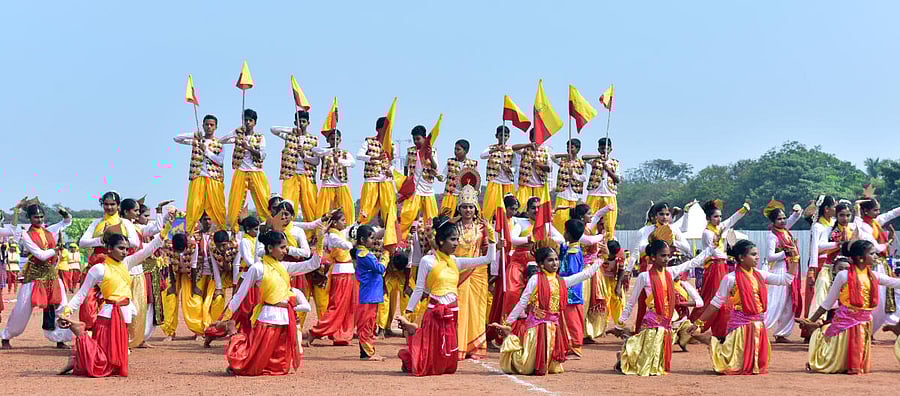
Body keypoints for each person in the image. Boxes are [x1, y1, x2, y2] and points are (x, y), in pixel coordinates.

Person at [57, 220, 168, 377]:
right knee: (102, 364)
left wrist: (166, 228)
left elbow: (148, 250)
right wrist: (67, 311)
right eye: (120, 248)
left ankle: (76, 358)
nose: (124, 252)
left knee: (114, 365)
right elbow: (82, 294)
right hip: (107, 318)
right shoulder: (99, 269)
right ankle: (78, 340)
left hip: (124, 317)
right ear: (109, 249)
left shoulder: (127, 263)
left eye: (126, 249)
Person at [396, 215, 497, 376]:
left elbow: (488, 258)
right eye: (453, 239)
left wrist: (491, 237)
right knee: (429, 353)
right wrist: (408, 311)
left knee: (446, 352)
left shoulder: (456, 261)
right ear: (441, 241)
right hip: (434, 310)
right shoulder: (427, 261)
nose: (456, 243)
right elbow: (419, 288)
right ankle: (410, 359)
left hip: (452, 310)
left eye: (457, 239)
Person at [490, 239, 606, 376]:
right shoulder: (535, 280)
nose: (555, 263)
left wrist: (602, 258)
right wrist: (508, 323)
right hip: (536, 328)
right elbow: (523, 302)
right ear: (540, 264)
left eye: (556, 259)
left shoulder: (560, 281)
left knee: (551, 368)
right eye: (550, 260)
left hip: (554, 328)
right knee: (525, 367)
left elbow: (585, 274)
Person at [217, 230, 321, 376]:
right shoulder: (257, 268)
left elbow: (313, 264)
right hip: (267, 318)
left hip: (285, 318)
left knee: (280, 367)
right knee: (250, 363)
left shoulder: (285, 266)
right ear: (270, 248)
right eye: (282, 247)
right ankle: (235, 345)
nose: (285, 251)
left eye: (286, 247)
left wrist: (321, 239)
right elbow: (240, 294)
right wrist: (226, 316)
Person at [611, 240, 712, 376]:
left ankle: (624, 356)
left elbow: (693, 262)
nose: (666, 259)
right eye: (663, 256)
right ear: (653, 257)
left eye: (668, 256)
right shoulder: (644, 277)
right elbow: (631, 302)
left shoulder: (671, 272)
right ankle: (625, 356)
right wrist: (620, 323)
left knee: (653, 360)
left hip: (667, 320)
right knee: (645, 364)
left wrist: (712, 247)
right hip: (652, 320)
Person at [800, 240, 900, 374]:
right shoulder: (843, 275)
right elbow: (827, 303)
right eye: (872, 253)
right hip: (846, 323)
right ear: (860, 258)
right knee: (835, 363)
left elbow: (895, 282)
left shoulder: (874, 276)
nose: (876, 256)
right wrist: (811, 321)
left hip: (864, 323)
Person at [698, 240, 797, 375]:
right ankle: (712, 341)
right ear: (741, 257)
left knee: (756, 368)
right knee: (732, 367)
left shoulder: (759, 274)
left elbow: (786, 280)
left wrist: (795, 259)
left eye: (757, 254)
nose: (757, 257)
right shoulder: (730, 278)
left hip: (758, 326)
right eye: (753, 254)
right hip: (740, 328)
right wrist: (699, 322)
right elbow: (716, 303)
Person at [0, 202, 73, 349]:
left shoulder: (49, 231)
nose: (39, 220)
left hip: (51, 276)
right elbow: (40, 255)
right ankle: (6, 336)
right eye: (35, 217)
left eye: (41, 216)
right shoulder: (26, 235)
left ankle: (60, 338)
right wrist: (56, 249)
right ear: (29, 218)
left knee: (61, 307)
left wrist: (66, 215)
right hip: (34, 277)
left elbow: (65, 223)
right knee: (22, 310)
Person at [78, 192, 141, 332]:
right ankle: (91, 339)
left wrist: (114, 239)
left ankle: (114, 338)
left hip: (116, 265)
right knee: (89, 301)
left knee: (113, 300)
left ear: (118, 206)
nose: (109, 207)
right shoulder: (96, 223)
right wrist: (101, 239)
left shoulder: (125, 223)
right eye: (106, 204)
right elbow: (82, 242)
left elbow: (135, 242)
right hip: (96, 264)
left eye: (112, 204)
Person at [686, 200, 749, 338]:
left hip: (722, 265)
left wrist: (743, 210)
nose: (719, 219)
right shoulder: (707, 233)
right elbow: (713, 252)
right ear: (708, 218)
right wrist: (729, 257)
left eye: (720, 216)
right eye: (715, 216)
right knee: (713, 298)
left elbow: (731, 220)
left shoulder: (719, 228)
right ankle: (691, 327)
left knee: (722, 297)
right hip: (714, 267)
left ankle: (720, 329)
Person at [453, 185, 496, 360]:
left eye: (471, 207)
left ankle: (475, 347)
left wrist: (492, 233)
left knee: (477, 309)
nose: (468, 210)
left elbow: (488, 249)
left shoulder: (482, 227)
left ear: (476, 208)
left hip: (478, 273)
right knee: (459, 308)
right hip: (457, 272)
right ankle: (458, 346)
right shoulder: (452, 226)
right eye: (464, 206)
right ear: (459, 208)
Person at [308, 211, 358, 346]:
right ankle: (315, 333)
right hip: (341, 275)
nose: (345, 222)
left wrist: (359, 222)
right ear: (335, 223)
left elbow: (349, 229)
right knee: (336, 307)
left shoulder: (338, 233)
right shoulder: (333, 237)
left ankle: (341, 335)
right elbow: (347, 245)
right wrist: (356, 241)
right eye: (342, 220)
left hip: (346, 273)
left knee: (348, 307)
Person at [853, 194, 900, 333]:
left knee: (892, 295)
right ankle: (868, 330)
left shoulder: (876, 222)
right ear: (866, 211)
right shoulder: (862, 226)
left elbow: (892, 213)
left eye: (879, 210)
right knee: (877, 300)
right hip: (872, 265)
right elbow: (876, 247)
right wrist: (889, 241)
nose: (878, 213)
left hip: (882, 265)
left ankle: (894, 324)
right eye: (875, 210)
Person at [173, 114, 227, 233]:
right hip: (197, 177)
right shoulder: (196, 140)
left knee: (219, 210)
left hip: (214, 180)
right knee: (193, 208)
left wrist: (206, 150)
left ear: (216, 127)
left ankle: (222, 235)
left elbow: (220, 161)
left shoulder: (220, 143)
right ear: (202, 125)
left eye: (211, 125)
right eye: (206, 124)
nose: (209, 127)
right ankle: (188, 234)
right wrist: (194, 135)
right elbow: (177, 138)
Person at [222, 109, 271, 232]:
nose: (248, 122)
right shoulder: (238, 135)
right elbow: (221, 141)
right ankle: (234, 230)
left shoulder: (260, 137)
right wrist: (235, 132)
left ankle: (269, 227)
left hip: (256, 171)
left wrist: (248, 147)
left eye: (250, 120)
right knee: (235, 202)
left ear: (255, 122)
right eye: (245, 120)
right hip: (241, 171)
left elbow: (262, 155)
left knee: (264, 202)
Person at [761, 199, 803, 342]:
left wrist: (797, 210)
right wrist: (786, 252)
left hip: (792, 268)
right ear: (773, 222)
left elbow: (795, 216)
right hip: (780, 270)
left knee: (790, 301)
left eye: (784, 218)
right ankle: (759, 328)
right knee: (775, 301)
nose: (783, 221)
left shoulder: (785, 230)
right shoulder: (772, 236)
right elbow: (770, 257)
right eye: (779, 219)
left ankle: (781, 333)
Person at [356, 117, 399, 248]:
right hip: (371, 180)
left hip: (386, 181)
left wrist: (391, 171)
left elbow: (393, 162)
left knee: (390, 211)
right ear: (378, 129)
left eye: (388, 129)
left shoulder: (392, 145)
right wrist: (375, 158)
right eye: (384, 129)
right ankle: (357, 238)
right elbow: (359, 155)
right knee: (365, 210)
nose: (386, 131)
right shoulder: (369, 142)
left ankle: (391, 242)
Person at [271, 110, 320, 225]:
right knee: (287, 205)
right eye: (299, 122)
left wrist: (304, 156)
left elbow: (317, 161)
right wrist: (292, 130)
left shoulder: (314, 139)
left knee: (310, 206)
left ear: (308, 123)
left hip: (307, 176)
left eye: (303, 121)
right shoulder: (289, 136)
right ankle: (287, 231)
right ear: (295, 123)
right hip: (290, 175)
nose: (301, 124)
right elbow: (273, 129)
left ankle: (312, 235)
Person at [398, 125, 442, 241]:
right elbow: (406, 167)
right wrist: (407, 181)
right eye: (414, 139)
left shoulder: (432, 150)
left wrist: (429, 156)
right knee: (406, 216)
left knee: (432, 220)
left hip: (428, 190)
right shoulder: (410, 151)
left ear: (424, 138)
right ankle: (399, 242)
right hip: (414, 190)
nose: (416, 141)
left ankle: (434, 245)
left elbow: (435, 166)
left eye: (418, 139)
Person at [805, 195, 837, 340]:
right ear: (826, 209)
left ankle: (830, 326)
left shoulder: (836, 223)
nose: (836, 209)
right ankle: (813, 327)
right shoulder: (818, 226)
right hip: (821, 264)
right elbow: (815, 248)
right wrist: (812, 269)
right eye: (834, 206)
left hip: (836, 263)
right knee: (819, 295)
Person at [352, 225, 387, 361]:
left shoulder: (364, 253)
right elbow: (380, 268)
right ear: (362, 239)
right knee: (366, 324)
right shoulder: (365, 255)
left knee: (370, 323)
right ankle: (367, 352)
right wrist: (386, 256)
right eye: (371, 238)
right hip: (368, 294)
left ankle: (368, 351)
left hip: (370, 293)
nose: (374, 241)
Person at [313, 129, 355, 224]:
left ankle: (348, 232)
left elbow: (352, 163)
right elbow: (314, 150)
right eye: (332, 139)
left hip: (341, 184)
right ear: (328, 140)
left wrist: (339, 161)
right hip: (327, 185)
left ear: (340, 140)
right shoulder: (324, 151)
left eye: (337, 139)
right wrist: (331, 151)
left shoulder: (344, 153)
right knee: (323, 211)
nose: (334, 141)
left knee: (347, 210)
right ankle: (320, 235)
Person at [582, 137, 620, 238]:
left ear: (611, 149)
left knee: (610, 223)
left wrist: (608, 170)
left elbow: (618, 179)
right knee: (590, 219)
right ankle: (588, 245)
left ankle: (608, 245)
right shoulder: (594, 160)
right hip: (594, 193)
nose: (604, 151)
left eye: (607, 149)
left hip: (609, 194)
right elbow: (583, 157)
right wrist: (599, 156)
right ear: (599, 149)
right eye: (602, 148)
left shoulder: (615, 162)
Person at [480, 126, 517, 221]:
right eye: (501, 135)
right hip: (494, 181)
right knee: (490, 208)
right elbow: (482, 156)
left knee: (509, 207)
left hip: (507, 182)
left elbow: (515, 166)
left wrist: (510, 170)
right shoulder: (491, 148)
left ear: (508, 136)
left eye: (505, 135)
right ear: (496, 136)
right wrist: (496, 149)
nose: (503, 137)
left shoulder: (511, 150)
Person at [551, 138, 586, 233]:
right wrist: (565, 155)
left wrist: (573, 174)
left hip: (574, 196)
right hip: (562, 194)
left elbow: (583, 178)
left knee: (573, 220)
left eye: (572, 147)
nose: (569, 149)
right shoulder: (563, 160)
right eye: (568, 147)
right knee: (560, 219)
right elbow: (553, 157)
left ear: (578, 149)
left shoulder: (581, 163)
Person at [512, 129, 551, 209]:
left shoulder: (545, 151)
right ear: (531, 138)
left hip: (539, 185)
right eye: (535, 137)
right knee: (522, 208)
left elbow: (549, 169)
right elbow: (513, 147)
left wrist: (539, 165)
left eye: (539, 138)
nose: (537, 140)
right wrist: (528, 145)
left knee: (540, 209)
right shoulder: (525, 149)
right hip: (525, 184)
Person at [440, 139, 479, 214]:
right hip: (451, 195)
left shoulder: (472, 164)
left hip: (466, 197)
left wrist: (477, 191)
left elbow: (476, 179)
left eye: (458, 149)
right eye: (455, 149)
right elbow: (443, 177)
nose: (455, 151)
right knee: (447, 218)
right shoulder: (450, 162)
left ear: (466, 151)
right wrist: (437, 175)